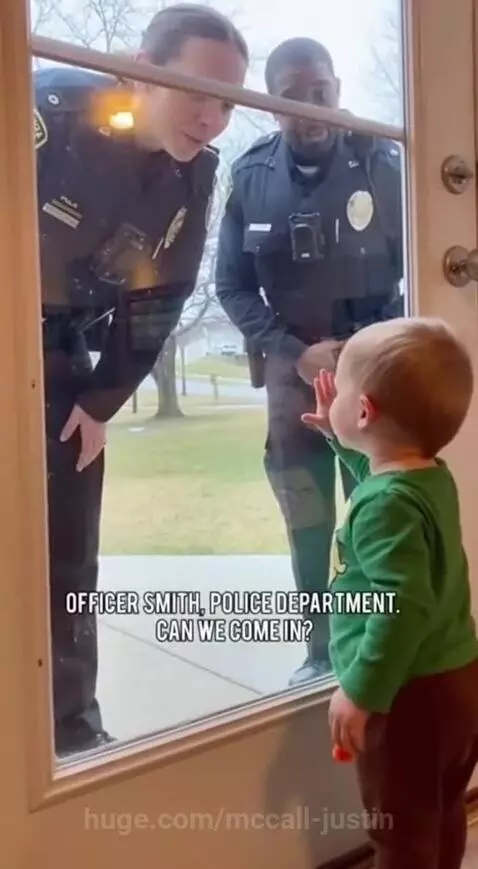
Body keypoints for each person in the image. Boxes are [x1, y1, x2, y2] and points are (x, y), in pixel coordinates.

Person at [35, 3, 248, 758]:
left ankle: (71, 731)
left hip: (61, 356)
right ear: (139, 72)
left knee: (68, 555)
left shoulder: (195, 179)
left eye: (229, 102)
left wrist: (99, 402)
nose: (214, 118)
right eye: (197, 91)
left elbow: (160, 301)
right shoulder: (46, 107)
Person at [215, 37, 403, 686]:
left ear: (337, 89)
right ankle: (319, 653)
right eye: (290, 97)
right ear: (271, 104)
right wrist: (295, 354)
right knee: (307, 516)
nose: (308, 108)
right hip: (292, 381)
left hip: (373, 373)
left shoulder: (379, 160)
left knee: (379, 507)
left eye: (318, 91)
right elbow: (232, 286)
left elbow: (420, 264)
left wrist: (363, 349)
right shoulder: (248, 176)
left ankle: (383, 646)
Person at [302, 317, 478, 869]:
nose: (332, 388)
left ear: (364, 412)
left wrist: (360, 691)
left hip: (408, 696)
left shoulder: (383, 506)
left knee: (401, 833)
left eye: (343, 383)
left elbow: (401, 606)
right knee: (442, 810)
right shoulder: (429, 477)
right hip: (457, 681)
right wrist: (339, 439)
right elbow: (378, 468)